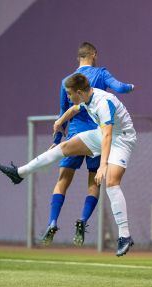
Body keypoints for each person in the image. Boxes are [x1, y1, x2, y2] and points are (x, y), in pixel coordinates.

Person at [0, 73, 136, 256]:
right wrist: (60, 121)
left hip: (122, 139)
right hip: (101, 134)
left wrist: (103, 165)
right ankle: (20, 173)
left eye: (69, 94)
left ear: (78, 92)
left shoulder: (103, 102)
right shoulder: (88, 96)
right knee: (63, 147)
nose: (68, 97)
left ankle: (125, 236)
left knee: (111, 183)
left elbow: (109, 135)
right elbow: (75, 109)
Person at [42, 42, 134, 246]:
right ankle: (83, 220)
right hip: (97, 136)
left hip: (75, 135)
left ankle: (52, 221)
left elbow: (62, 113)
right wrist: (130, 87)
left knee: (63, 180)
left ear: (78, 58)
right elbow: (119, 87)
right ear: (94, 54)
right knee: (94, 182)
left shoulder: (67, 81)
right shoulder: (101, 73)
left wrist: (57, 141)